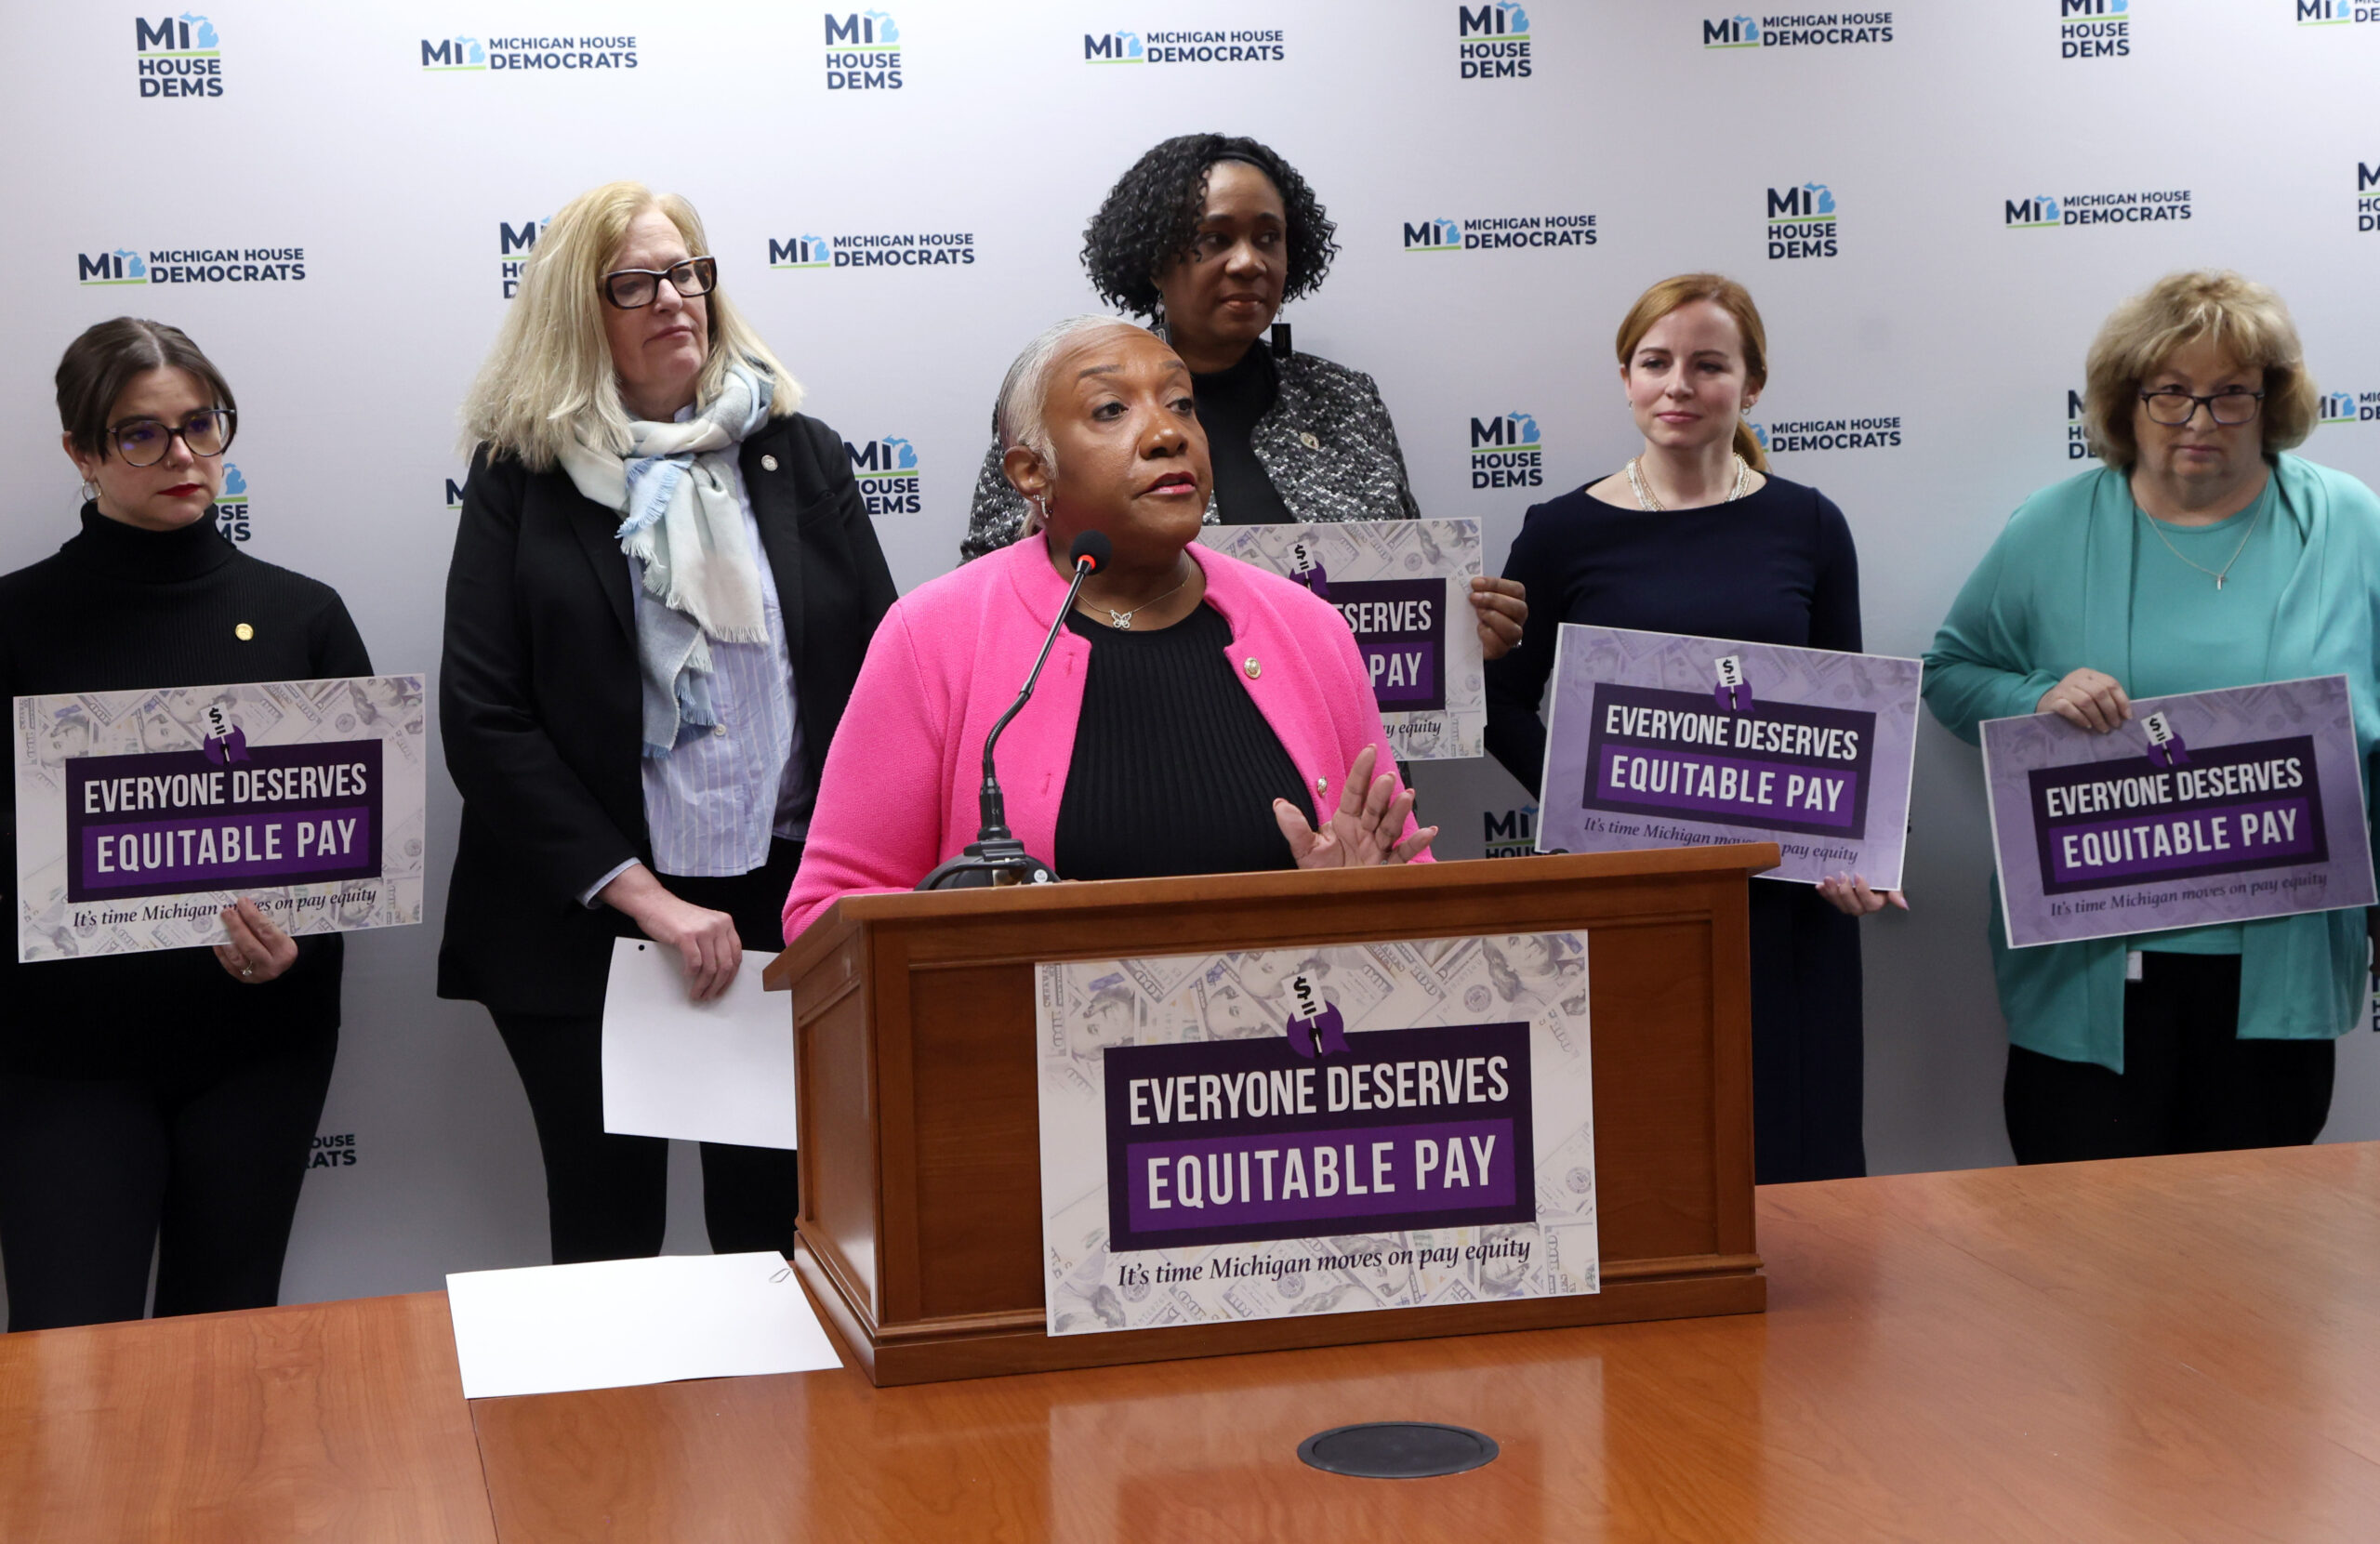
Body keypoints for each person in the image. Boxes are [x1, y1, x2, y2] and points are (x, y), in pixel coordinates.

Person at [442, 181, 896, 1263]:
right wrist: (645, 899)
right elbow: (484, 716)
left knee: (777, 1236)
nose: (673, 299)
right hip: (585, 918)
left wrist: (845, 889)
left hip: (783, 909)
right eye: (634, 282)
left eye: (689, 272)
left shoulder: (800, 452)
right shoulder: (524, 475)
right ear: (574, 309)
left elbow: (879, 680)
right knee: (607, 1241)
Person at [1924, 270, 2380, 1165]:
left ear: (2272, 400)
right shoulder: (2051, 527)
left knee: (2254, 1254)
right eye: (2170, 392)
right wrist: (2035, 696)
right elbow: (1950, 671)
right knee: (2088, 1254)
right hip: (2096, 968)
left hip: (2276, 968)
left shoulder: (2348, 524)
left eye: (2231, 394)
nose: (2200, 421)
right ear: (2126, 403)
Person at [783, 317, 1433, 940]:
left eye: (1181, 403)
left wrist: (1353, 899)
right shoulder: (934, 638)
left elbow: (1409, 884)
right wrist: (980, 932)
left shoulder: (1309, 630)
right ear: (1031, 471)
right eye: (1111, 410)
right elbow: (827, 911)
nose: (1167, 433)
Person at [0, 318, 372, 1330]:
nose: (182, 456)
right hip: (61, 1059)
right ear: (80, 451)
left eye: (201, 424)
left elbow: (351, 849)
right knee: (67, 1366)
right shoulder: (14, 623)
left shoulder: (306, 616)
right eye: (140, 434)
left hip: (259, 1046)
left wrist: (295, 948)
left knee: (230, 1347)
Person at [1483, 274, 1886, 1184]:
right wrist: (1598, 798)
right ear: (1624, 379)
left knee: (1797, 1157)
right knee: (1646, 1146)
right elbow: (1498, 703)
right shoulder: (1559, 532)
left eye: (1708, 365)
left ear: (1750, 385)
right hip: (1632, 893)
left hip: (1783, 901)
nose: (1677, 384)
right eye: (1654, 362)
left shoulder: (1811, 524)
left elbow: (1852, 712)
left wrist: (1860, 851)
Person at [956, 133, 1526, 659]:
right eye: (1215, 239)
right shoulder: (1058, 397)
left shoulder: (1348, 400)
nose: (1250, 261)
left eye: (1268, 238)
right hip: (1138, 732)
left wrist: (1464, 630)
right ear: (1155, 260)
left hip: (1339, 750)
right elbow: (987, 596)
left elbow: (1409, 582)